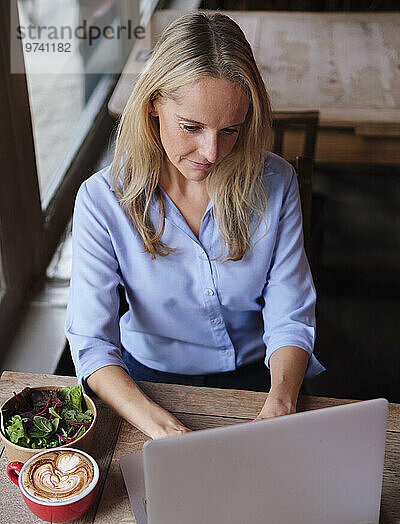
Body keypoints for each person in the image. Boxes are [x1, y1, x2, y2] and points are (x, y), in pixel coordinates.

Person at [65, 11, 325, 440]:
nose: (212, 151)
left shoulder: (276, 183)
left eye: (231, 131)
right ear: (153, 104)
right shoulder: (101, 201)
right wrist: (165, 429)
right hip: (147, 384)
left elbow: (290, 317)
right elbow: (92, 344)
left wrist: (280, 402)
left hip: (260, 374)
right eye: (192, 127)